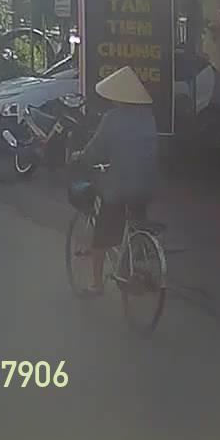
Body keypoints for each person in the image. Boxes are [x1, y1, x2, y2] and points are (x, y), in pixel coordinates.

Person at [70, 66, 159, 295]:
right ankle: (136, 255)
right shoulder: (148, 118)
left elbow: (95, 151)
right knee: (136, 219)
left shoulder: (112, 119)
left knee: (101, 235)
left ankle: (96, 284)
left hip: (120, 188)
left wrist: (80, 157)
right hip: (148, 186)